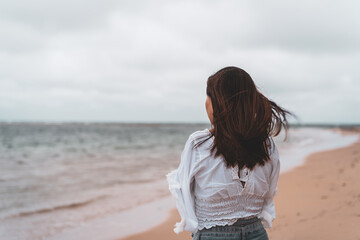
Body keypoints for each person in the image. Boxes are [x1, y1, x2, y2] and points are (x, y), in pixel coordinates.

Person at [166, 66, 292, 240]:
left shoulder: (199, 143)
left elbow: (184, 189)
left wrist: (193, 226)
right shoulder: (266, 144)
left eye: (208, 96)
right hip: (256, 232)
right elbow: (269, 190)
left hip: (213, 234)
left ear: (217, 102)